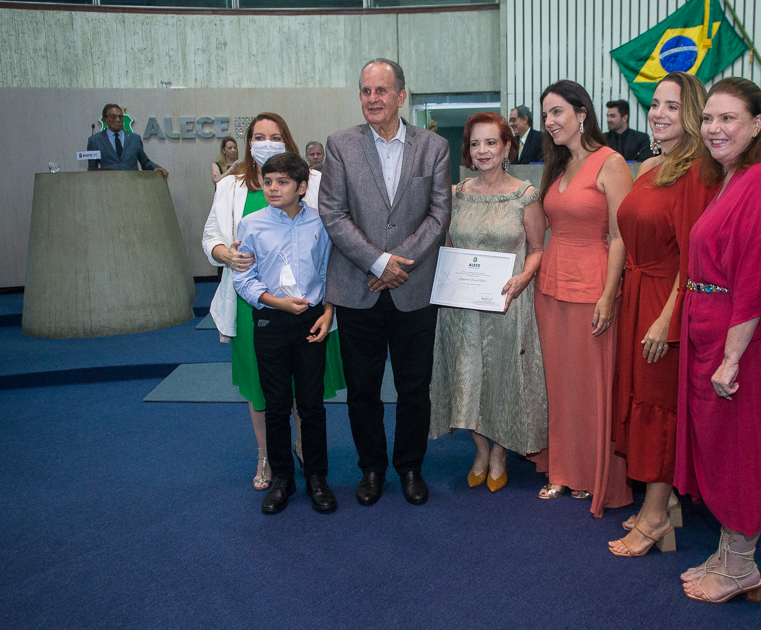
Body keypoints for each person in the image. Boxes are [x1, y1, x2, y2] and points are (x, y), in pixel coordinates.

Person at [676, 77, 761, 603]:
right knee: (722, 450)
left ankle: (742, 567)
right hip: (711, 329)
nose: (713, 128)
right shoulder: (731, 178)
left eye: (728, 119)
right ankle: (728, 555)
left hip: (747, 342)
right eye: (708, 118)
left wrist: (731, 358)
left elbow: (759, 275)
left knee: (744, 454)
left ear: (757, 125)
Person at [319, 58, 450, 507]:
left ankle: (410, 466)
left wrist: (399, 265)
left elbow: (438, 214)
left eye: (381, 90)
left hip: (414, 292)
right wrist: (377, 263)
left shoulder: (433, 146)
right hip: (358, 288)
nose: (372, 99)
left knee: (415, 387)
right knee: (362, 390)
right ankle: (371, 468)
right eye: (365, 91)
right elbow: (333, 213)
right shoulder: (340, 146)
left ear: (401, 95)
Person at [202, 112, 346, 491]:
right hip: (262, 312)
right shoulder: (233, 189)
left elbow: (332, 255)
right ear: (249, 142)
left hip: (311, 312)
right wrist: (226, 255)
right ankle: (271, 461)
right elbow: (214, 239)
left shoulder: (314, 187)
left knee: (310, 398)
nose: (266, 142)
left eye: (274, 135)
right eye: (259, 136)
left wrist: (329, 307)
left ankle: (311, 463)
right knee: (267, 392)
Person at [608, 72, 717, 557]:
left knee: (659, 411)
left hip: (664, 304)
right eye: (654, 104)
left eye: (672, 106)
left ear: (692, 114)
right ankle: (663, 502)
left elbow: (692, 259)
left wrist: (666, 319)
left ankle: (653, 518)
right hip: (637, 295)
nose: (658, 113)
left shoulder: (697, 172)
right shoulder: (654, 166)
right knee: (640, 401)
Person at [530, 80, 634, 517]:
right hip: (551, 288)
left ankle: (593, 475)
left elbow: (621, 236)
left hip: (593, 287)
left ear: (581, 113)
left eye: (557, 113)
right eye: (546, 115)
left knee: (591, 386)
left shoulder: (610, 163)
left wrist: (609, 296)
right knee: (559, 383)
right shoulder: (556, 166)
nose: (549, 123)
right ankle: (563, 469)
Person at [429, 112, 548, 492]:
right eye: (476, 144)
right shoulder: (456, 193)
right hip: (461, 310)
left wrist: (525, 276)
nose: (483, 151)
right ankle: (479, 450)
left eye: (491, 143)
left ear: (507, 147)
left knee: (501, 377)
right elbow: (449, 246)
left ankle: (499, 453)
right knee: (466, 377)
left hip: (507, 304)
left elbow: (537, 248)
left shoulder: (525, 194)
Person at [231, 153, 338, 515]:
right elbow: (242, 277)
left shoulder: (321, 223)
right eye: (268, 181)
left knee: (311, 406)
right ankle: (282, 479)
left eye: (282, 182)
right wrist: (273, 302)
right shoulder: (251, 224)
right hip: (270, 321)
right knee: (275, 405)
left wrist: (327, 312)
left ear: (302, 187)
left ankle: (317, 478)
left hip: (310, 320)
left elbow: (328, 272)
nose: (273, 188)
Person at [87, 103, 168, 177]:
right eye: (113, 117)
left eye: (120, 117)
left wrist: (156, 168)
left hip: (133, 185)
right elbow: (93, 170)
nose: (118, 120)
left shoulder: (134, 139)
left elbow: (145, 162)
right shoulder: (95, 140)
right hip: (109, 187)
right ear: (105, 120)